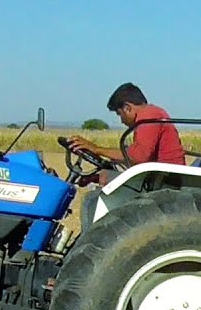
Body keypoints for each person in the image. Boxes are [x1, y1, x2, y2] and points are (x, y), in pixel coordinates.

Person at [67, 83, 185, 229]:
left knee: (92, 200)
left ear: (127, 107)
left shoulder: (149, 116)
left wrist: (96, 149)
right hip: (156, 177)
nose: (121, 120)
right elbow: (135, 156)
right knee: (104, 176)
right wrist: (95, 176)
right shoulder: (154, 114)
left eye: (119, 114)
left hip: (161, 181)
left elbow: (139, 156)